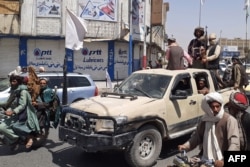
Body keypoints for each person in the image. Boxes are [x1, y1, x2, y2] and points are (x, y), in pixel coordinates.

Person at [178, 92, 240, 167]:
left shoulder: (229, 120)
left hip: (221, 160)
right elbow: (197, 137)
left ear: (221, 106)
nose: (215, 109)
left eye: (217, 106)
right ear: (208, 107)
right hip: (205, 158)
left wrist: (224, 160)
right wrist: (185, 146)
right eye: (212, 107)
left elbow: (234, 143)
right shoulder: (204, 120)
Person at [0, 75, 40, 150]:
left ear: (18, 82)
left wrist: (13, 112)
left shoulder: (23, 91)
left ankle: (15, 138)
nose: (12, 83)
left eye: (14, 81)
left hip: (22, 114)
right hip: (14, 113)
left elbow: (23, 105)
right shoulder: (14, 91)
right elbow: (7, 103)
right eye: (11, 81)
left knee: (2, 127)